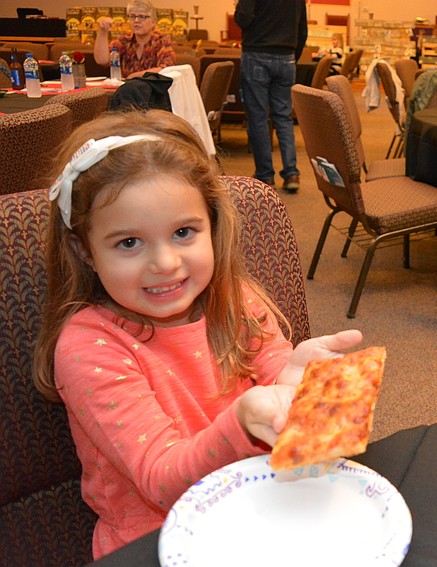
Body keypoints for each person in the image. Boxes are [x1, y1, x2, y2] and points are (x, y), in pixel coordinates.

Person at [33, 110, 362, 559]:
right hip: (159, 541)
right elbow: (162, 481)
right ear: (84, 250)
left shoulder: (236, 298)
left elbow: (287, 402)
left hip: (258, 514)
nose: (165, 263)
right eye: (129, 243)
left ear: (212, 225)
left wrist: (307, 388)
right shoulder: (89, 346)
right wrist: (244, 422)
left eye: (184, 232)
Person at [235, 0, 307, 193]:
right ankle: (292, 173)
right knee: (283, 117)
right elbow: (303, 30)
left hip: (257, 53)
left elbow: (243, 18)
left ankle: (265, 175)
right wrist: (291, 56)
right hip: (286, 57)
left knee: (258, 118)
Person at [94, 0, 176, 79]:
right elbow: (102, 61)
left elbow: (166, 70)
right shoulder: (124, 41)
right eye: (132, 16)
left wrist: (134, 77)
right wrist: (103, 31)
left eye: (142, 17)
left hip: (153, 91)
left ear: (153, 22)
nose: (136, 20)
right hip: (127, 91)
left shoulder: (162, 42)